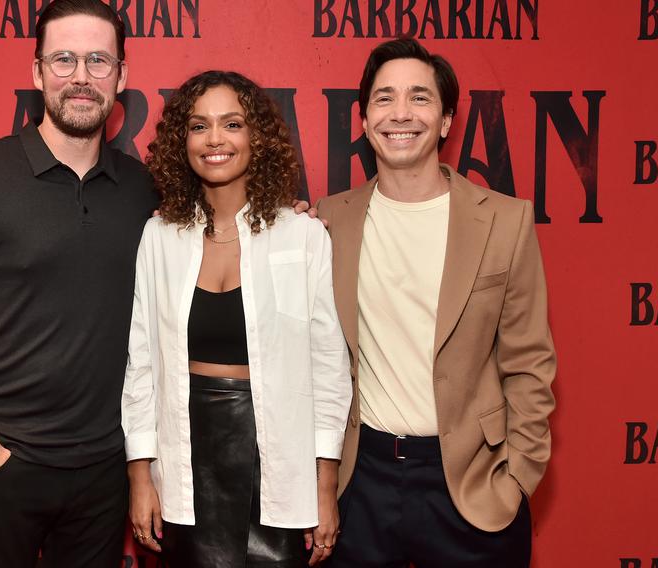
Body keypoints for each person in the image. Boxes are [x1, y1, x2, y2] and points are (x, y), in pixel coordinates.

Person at [0, 1, 159, 566]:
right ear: (36, 71)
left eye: (99, 61)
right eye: (64, 59)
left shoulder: (143, 188)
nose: (81, 77)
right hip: (1, 468)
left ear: (122, 76)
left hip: (103, 474)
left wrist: (288, 214)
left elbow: (219, 231)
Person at [318, 38, 556, 567]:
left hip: (474, 484)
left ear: (447, 120)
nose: (400, 113)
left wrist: (517, 478)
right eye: (384, 98)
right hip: (362, 482)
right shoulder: (327, 221)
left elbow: (529, 365)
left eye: (419, 98)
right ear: (363, 119)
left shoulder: (505, 221)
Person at [121, 70, 352, 568]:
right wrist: (141, 477)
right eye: (199, 126)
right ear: (182, 141)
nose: (215, 140)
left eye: (232, 124)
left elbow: (330, 369)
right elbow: (140, 366)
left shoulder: (303, 236)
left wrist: (325, 485)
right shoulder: (159, 237)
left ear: (257, 137)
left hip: (278, 454)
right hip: (185, 452)